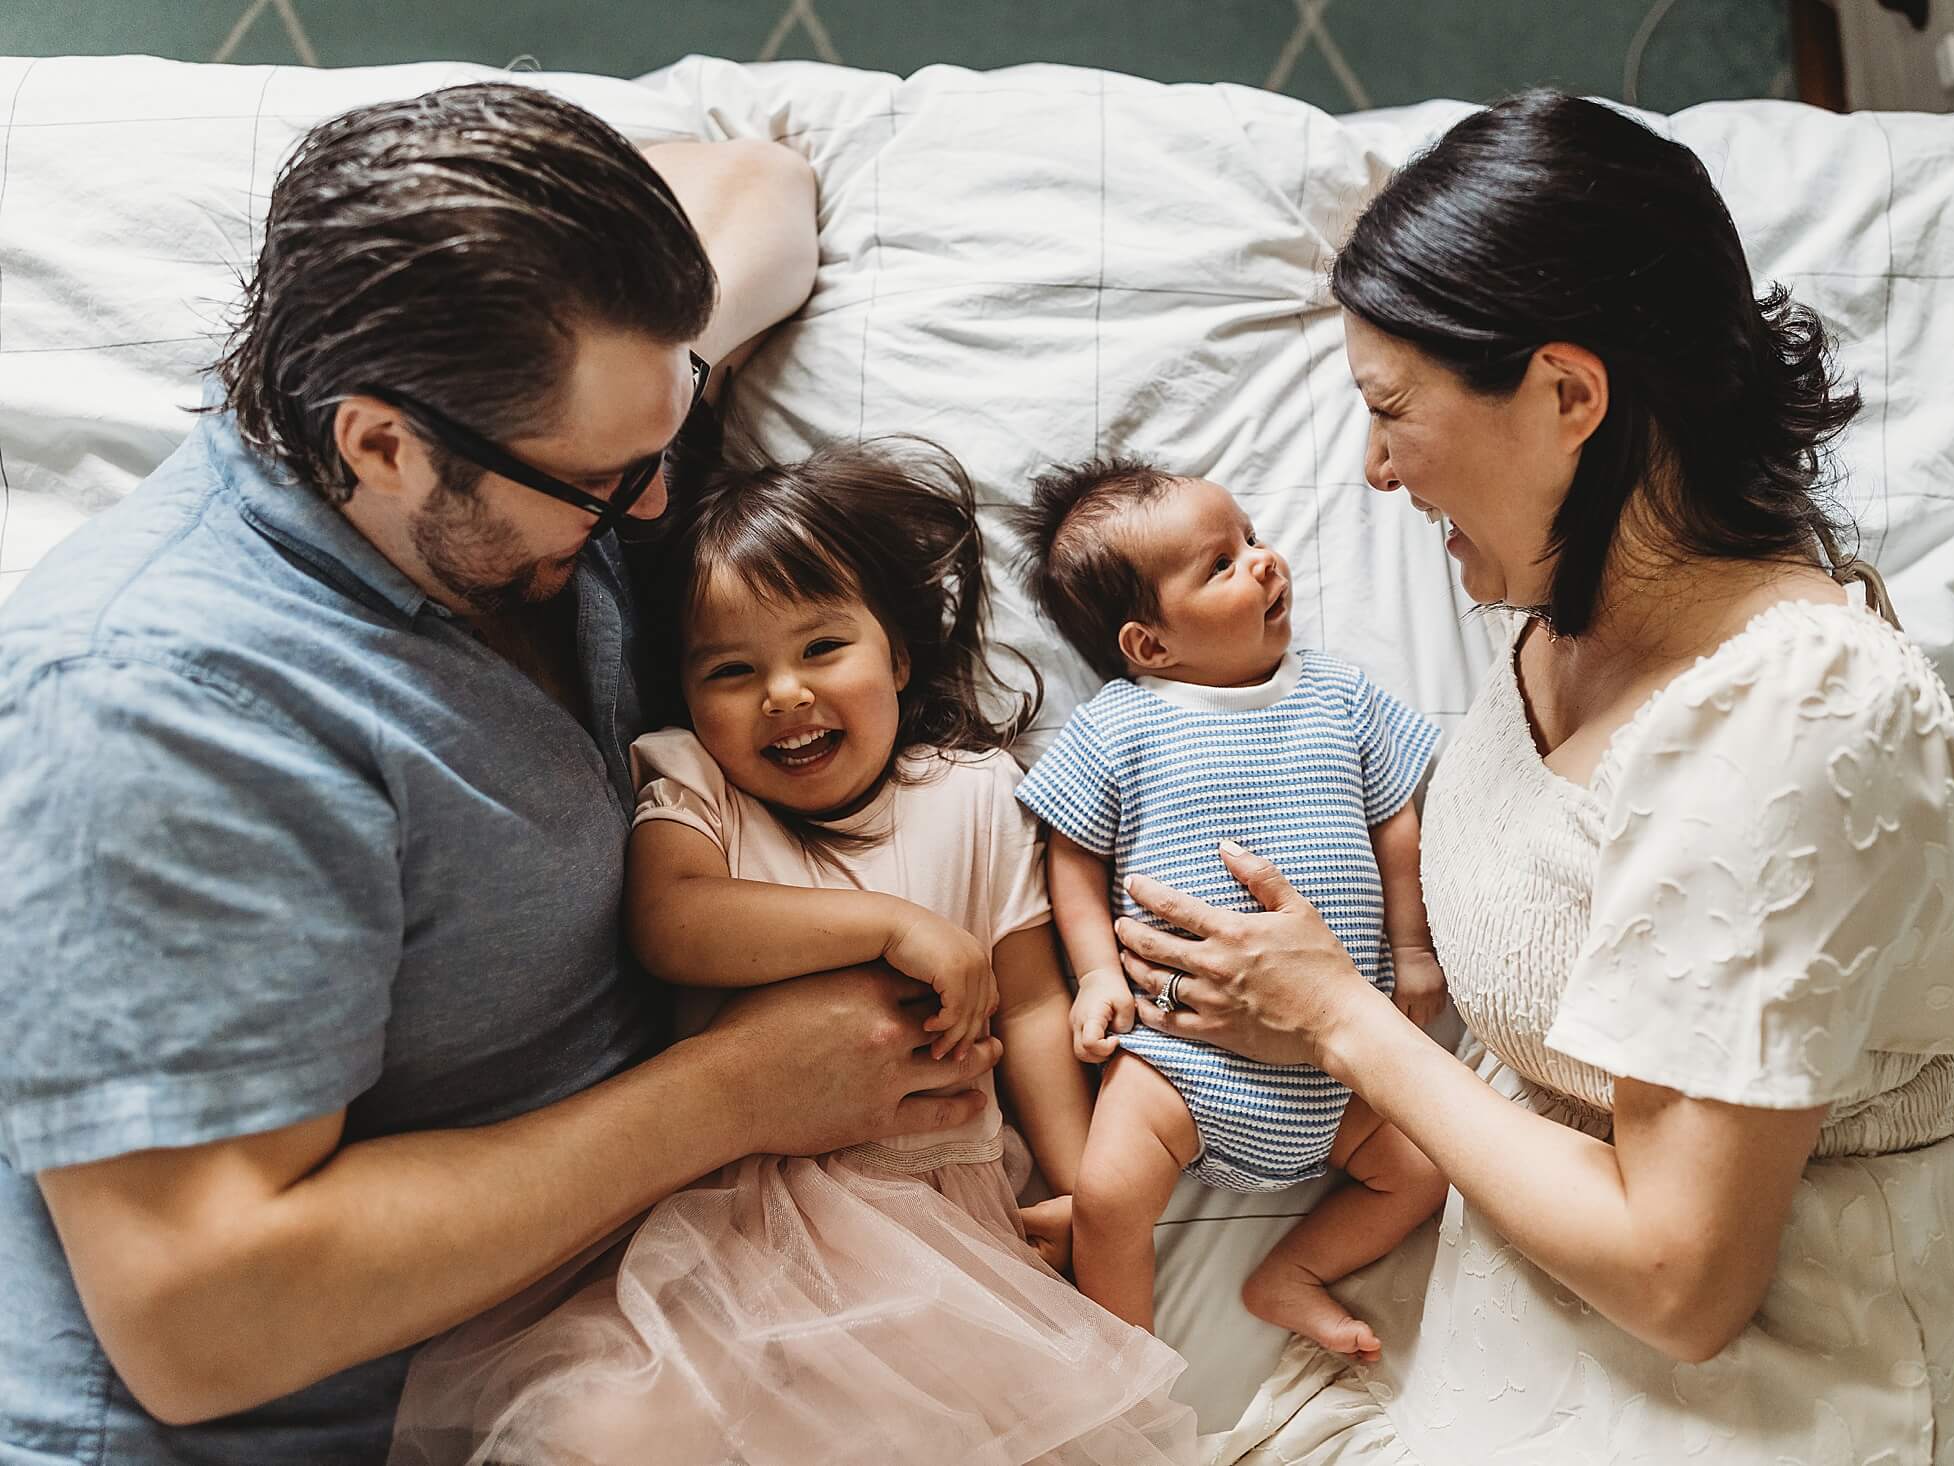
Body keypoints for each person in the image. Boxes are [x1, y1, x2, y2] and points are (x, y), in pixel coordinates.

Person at [0, 83, 1003, 1466]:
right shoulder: (159, 711)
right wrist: (739, 1088)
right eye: (609, 480)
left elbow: (757, 181)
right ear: (382, 443)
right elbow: (202, 1319)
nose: (652, 508)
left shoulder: (524, 420)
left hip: (639, 1322)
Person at [1132, 93, 1954, 1465]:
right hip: (1515, 1292)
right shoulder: (1567, 597)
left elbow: (1683, 1276)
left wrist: (1343, 1021)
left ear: (1565, 395)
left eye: (1391, 409)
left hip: (1763, 1373)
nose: (1370, 467)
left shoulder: (1801, 719)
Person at [387, 440, 1197, 1466]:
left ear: (899, 656)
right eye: (732, 668)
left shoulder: (976, 793)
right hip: (735, 1222)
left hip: (944, 1223)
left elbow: (1032, 1008)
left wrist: (1085, 1182)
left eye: (822, 648)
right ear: (686, 691)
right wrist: (886, 927)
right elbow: (672, 922)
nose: (782, 692)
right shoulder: (696, 788)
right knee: (616, 1426)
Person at [1010, 461, 1448, 1363]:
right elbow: (1073, 854)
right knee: (1108, 1195)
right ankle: (1126, 1363)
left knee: (1423, 1175)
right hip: (1180, 1056)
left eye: (1249, 537)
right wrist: (1096, 972)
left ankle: (1290, 1274)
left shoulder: (1339, 692)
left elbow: (1396, 817)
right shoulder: (1120, 723)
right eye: (1219, 564)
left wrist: (1411, 945)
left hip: (1339, 1053)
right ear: (1150, 645)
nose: (1263, 561)